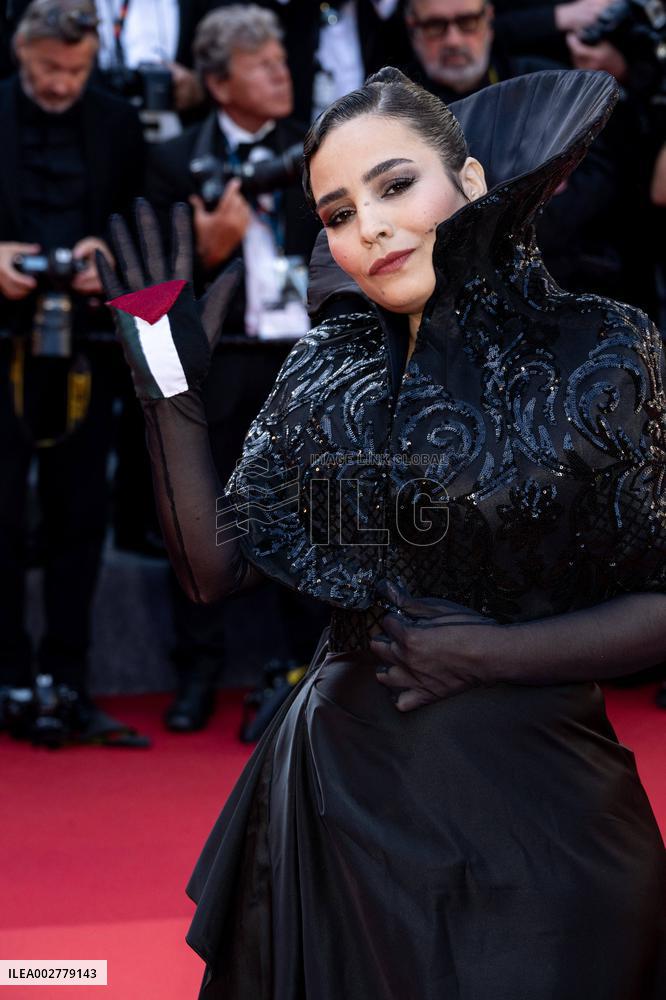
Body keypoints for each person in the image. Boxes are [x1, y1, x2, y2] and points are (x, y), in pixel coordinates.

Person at [101, 66, 666, 996]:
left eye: (395, 185)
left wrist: (489, 658)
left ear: (472, 182)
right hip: (347, 815)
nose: (368, 225)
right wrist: (165, 386)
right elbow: (215, 570)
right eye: (336, 212)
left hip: (544, 816)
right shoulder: (327, 365)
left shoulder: (602, 346)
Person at [144, 3, 326, 730]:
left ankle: (301, 674)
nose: (283, 72)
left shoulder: (320, 149)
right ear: (220, 83)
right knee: (201, 519)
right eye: (262, 63)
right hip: (217, 363)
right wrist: (212, 248)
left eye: (282, 58)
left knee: (302, 517)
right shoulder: (170, 159)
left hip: (299, 359)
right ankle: (198, 675)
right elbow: (151, 280)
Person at [0, 0, 147, 746]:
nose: (61, 83)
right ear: (20, 51)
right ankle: (10, 678)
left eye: (76, 69)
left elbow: (145, 223)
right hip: (1, 341)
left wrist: (108, 259)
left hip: (86, 344)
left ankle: (70, 679)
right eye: (48, 68)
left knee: (79, 515)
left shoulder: (117, 122)